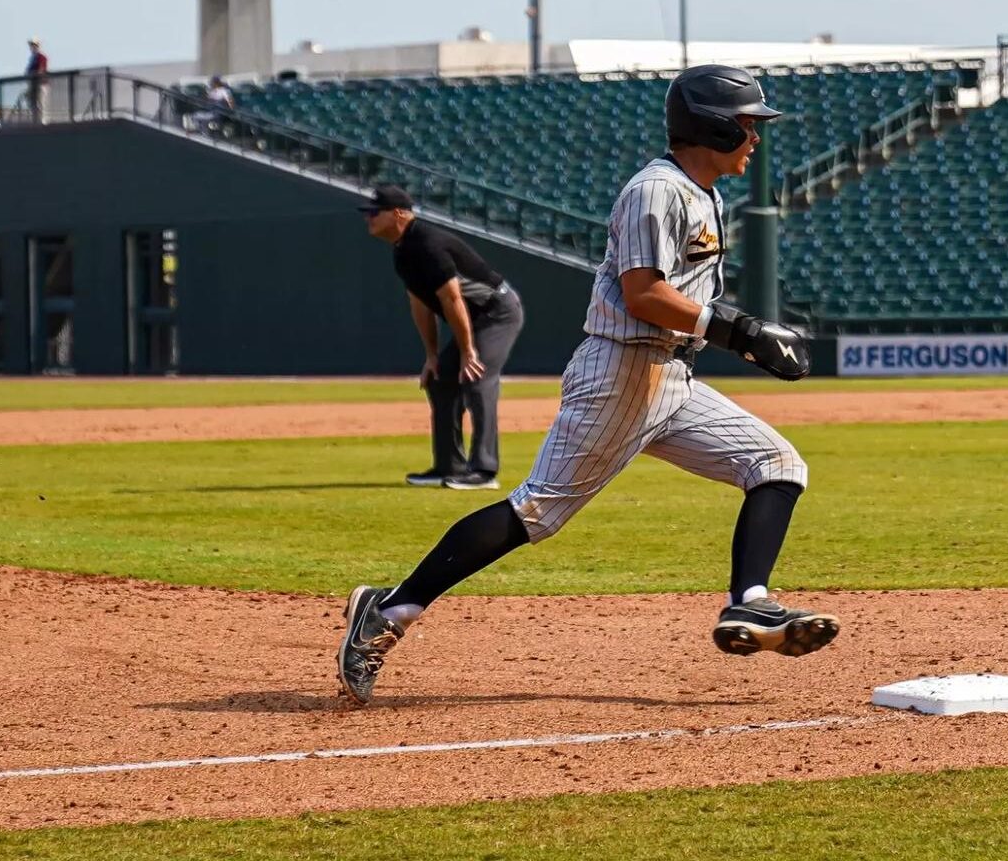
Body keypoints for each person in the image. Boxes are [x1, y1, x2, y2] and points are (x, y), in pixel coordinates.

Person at [336, 65, 832, 706]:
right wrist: (742, 332)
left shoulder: (699, 191)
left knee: (776, 464)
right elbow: (643, 294)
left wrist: (736, 332)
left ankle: (750, 604)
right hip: (624, 371)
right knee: (534, 512)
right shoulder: (655, 192)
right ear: (710, 126)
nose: (755, 138)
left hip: (670, 375)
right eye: (745, 126)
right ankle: (390, 611)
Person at [361, 185, 525, 490]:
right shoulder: (402, 250)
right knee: (439, 379)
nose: (367, 218)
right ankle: (448, 466)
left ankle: (484, 471)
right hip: (474, 317)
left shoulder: (427, 244)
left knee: (477, 378)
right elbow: (421, 304)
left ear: (398, 214)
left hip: (497, 312)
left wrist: (469, 352)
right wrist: (432, 356)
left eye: (373, 212)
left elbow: (452, 300)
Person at [25, 38, 48, 124]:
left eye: (34, 45)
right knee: (32, 103)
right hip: (33, 84)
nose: (32, 47)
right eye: (31, 45)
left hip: (40, 84)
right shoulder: (32, 58)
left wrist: (35, 75)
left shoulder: (41, 57)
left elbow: (41, 70)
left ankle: (42, 122)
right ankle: (35, 121)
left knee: (40, 103)